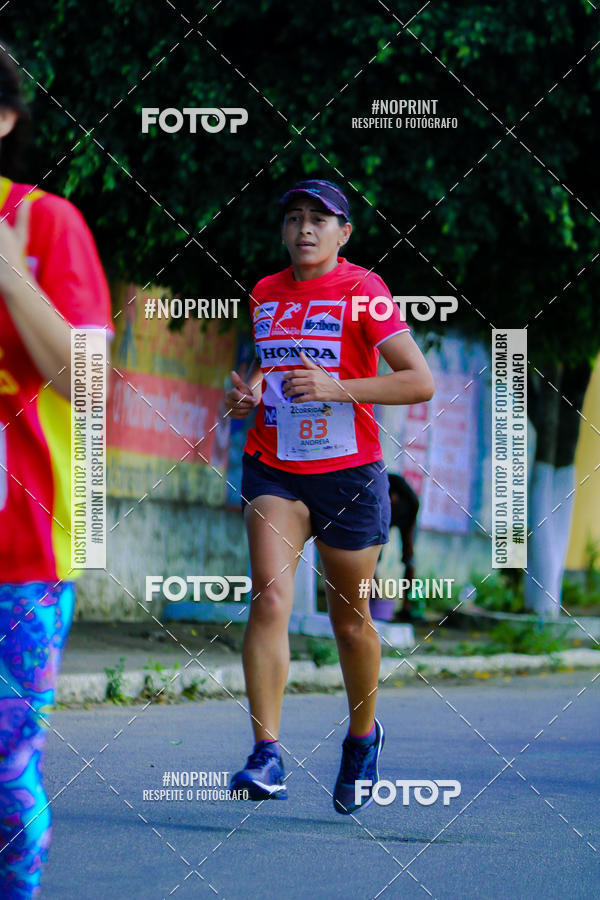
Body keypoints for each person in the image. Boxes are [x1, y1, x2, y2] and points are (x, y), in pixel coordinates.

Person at [224, 178, 434, 815]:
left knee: (351, 621)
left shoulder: (363, 292)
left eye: (320, 218)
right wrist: (250, 396)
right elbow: (272, 367)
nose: (305, 228)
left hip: (348, 474)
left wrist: (337, 388)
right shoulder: (264, 292)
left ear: (344, 233)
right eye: (294, 217)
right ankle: (266, 754)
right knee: (270, 597)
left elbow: (418, 381)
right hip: (275, 466)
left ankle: (363, 738)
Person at [0, 46, 112, 896]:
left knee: (4, 766)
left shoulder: (46, 225)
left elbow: (85, 381)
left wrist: (5, 269)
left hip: (20, 556)